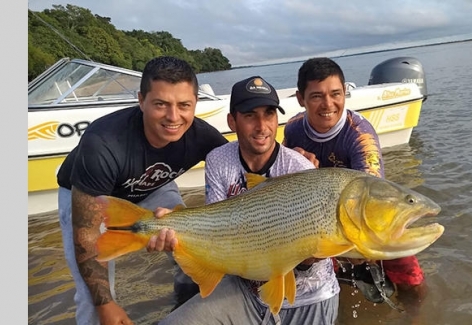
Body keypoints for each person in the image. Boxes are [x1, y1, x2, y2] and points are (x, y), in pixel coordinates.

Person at [153, 76, 340, 325]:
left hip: (309, 295)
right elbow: (216, 230)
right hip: (245, 290)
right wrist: (176, 228)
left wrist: (305, 256)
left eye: (269, 114)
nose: (262, 126)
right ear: (232, 121)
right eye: (250, 115)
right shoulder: (218, 160)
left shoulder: (300, 168)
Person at [56, 56, 228, 325]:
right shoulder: (103, 142)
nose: (174, 117)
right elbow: (87, 236)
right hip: (88, 195)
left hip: (154, 186)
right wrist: (107, 305)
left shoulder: (203, 136)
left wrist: (293, 155)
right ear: (141, 100)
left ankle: (183, 308)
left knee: (193, 251)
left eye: (184, 105)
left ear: (195, 103)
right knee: (94, 298)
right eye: (161, 104)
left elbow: (243, 164)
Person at [282, 57, 426, 303]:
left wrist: (361, 247)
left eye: (336, 94)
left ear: (345, 93)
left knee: (407, 269)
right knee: (322, 276)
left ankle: (417, 315)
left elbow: (372, 197)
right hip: (316, 219)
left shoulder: (360, 135)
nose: (328, 104)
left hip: (355, 217)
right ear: (300, 99)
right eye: (317, 96)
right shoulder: (293, 129)